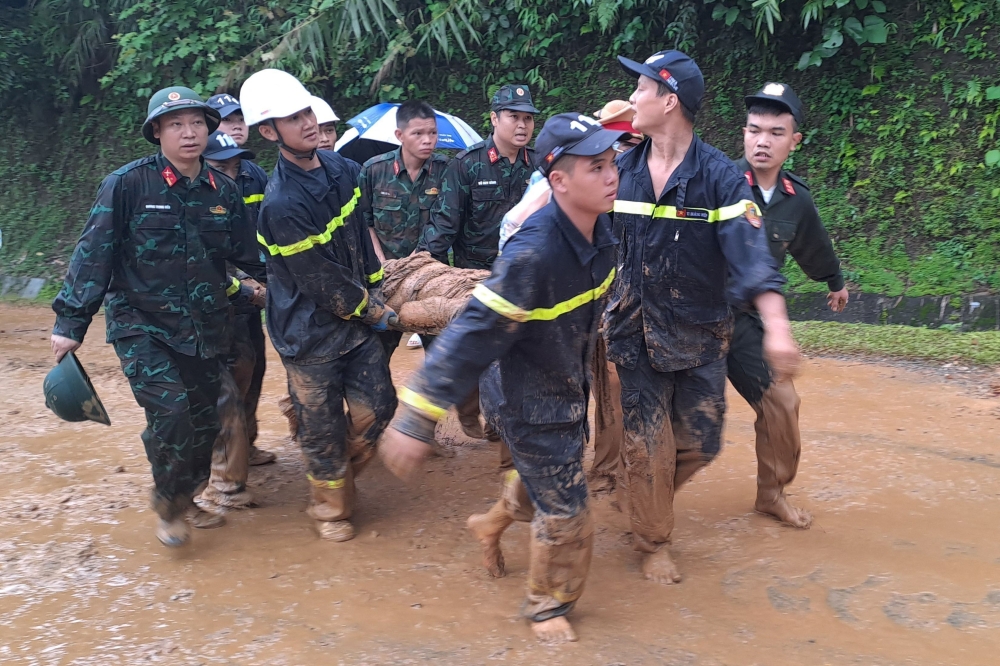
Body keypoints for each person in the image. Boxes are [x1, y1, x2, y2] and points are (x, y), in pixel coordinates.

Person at [379, 113, 626, 645]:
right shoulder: (533, 254)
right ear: (559, 181)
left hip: (566, 385)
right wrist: (417, 416)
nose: (612, 176)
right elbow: (472, 331)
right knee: (569, 510)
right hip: (525, 397)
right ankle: (548, 604)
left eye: (613, 164)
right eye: (596, 167)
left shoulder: (603, 232)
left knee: (543, 483)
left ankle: (490, 524)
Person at [606, 50, 800, 584]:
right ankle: (652, 540)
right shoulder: (619, 169)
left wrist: (777, 326)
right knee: (648, 443)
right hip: (633, 332)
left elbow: (753, 258)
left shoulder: (720, 178)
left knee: (701, 441)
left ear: (669, 101)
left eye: (642, 89)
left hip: (700, 337)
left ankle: (640, 493)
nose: (633, 98)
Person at [50, 87, 266, 547]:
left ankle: (186, 495)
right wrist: (70, 323)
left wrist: (279, 286)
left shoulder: (223, 191)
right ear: (157, 133)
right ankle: (169, 504)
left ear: (208, 129)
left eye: (197, 123)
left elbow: (249, 257)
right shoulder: (128, 185)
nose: (189, 133)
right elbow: (93, 254)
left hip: (205, 327)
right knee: (172, 414)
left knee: (205, 421)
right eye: (176, 125)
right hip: (141, 325)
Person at [239, 69, 397, 542]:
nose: (308, 123)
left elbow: (360, 239)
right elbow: (320, 279)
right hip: (307, 334)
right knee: (322, 426)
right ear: (269, 132)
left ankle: (334, 469)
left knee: (378, 408)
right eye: (293, 118)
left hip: (355, 322)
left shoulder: (344, 171)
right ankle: (330, 509)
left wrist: (378, 286)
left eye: (307, 111)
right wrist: (375, 312)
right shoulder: (281, 204)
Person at [730, 82, 848, 528]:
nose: (762, 141)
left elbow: (813, 246)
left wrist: (834, 282)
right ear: (744, 133)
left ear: (793, 141)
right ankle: (637, 495)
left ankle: (772, 494)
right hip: (696, 319)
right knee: (679, 421)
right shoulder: (717, 183)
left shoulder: (796, 200)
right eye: (754, 130)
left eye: (776, 133)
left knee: (781, 402)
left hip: (745, 322)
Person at [419, 84, 539, 452]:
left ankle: (506, 426)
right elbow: (445, 225)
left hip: (525, 278)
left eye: (528, 118)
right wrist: (423, 271)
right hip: (476, 279)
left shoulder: (539, 165)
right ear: (494, 119)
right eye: (514, 117)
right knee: (482, 356)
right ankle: (479, 412)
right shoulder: (467, 165)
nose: (522, 125)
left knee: (523, 357)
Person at [206, 94, 276, 468]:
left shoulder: (253, 174)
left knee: (254, 364)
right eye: (225, 120)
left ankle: (245, 444)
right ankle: (222, 458)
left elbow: (267, 230)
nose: (235, 125)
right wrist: (242, 285)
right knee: (228, 374)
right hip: (217, 295)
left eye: (240, 119)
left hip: (252, 294)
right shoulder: (196, 182)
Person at [357, 99, 449, 358]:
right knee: (376, 355)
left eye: (432, 132)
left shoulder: (445, 171)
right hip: (385, 279)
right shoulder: (374, 170)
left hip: (430, 279)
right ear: (399, 135)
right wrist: (381, 263)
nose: (427, 140)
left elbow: (447, 222)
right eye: (418, 133)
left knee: (441, 357)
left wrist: (417, 265)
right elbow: (364, 222)